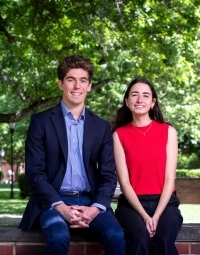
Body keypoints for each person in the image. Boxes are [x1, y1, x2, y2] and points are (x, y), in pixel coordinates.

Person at [18, 55, 125, 255]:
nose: (77, 86)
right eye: (70, 79)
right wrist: (62, 207)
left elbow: (108, 176)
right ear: (60, 84)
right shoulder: (40, 122)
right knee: (58, 236)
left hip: (90, 201)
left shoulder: (101, 126)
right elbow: (34, 173)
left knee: (116, 236)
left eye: (83, 80)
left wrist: (95, 208)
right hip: (52, 202)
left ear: (89, 86)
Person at [111, 77, 183, 255]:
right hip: (131, 205)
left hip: (165, 203)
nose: (139, 100)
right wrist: (145, 216)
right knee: (140, 239)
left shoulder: (168, 132)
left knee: (164, 239)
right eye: (134, 95)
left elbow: (169, 179)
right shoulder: (119, 135)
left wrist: (156, 215)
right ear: (127, 102)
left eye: (145, 95)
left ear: (153, 103)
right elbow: (125, 183)